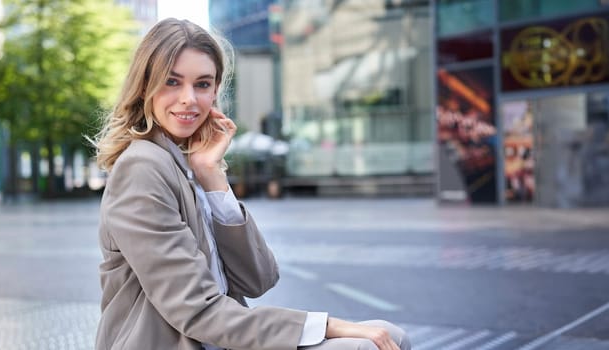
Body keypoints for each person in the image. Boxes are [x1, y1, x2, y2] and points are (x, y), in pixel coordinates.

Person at [92, 18, 410, 350]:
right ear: (145, 86)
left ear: (215, 91)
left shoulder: (187, 163)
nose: (189, 99)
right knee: (366, 345)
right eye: (172, 82)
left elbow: (258, 278)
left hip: (220, 341)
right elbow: (196, 311)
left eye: (202, 84)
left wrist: (211, 177)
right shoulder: (143, 166)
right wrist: (328, 326)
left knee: (389, 334)